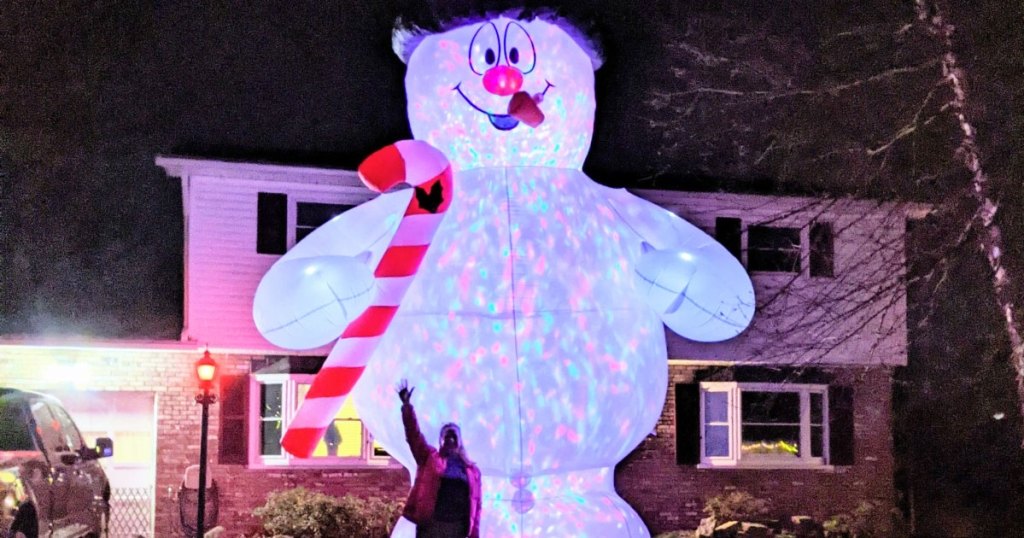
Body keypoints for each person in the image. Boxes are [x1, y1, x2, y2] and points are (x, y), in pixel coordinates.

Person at [397, 379, 481, 538]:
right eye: (446, 435)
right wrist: (407, 407)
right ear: (441, 440)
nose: (450, 439)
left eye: (453, 435)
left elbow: (477, 507)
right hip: (433, 526)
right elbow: (414, 436)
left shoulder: (472, 471)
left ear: (460, 440)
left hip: (458, 528)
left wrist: (474, 534)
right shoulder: (429, 458)